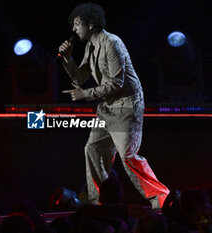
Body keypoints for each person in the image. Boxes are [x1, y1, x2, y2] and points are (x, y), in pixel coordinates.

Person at [59, 3, 169, 208]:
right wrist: (67, 58)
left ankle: (161, 197)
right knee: (93, 148)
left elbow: (116, 83)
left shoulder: (112, 43)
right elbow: (80, 77)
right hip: (108, 107)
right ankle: (100, 200)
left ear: (90, 24)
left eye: (77, 24)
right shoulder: (91, 46)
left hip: (127, 105)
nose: (74, 29)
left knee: (128, 156)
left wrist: (86, 94)